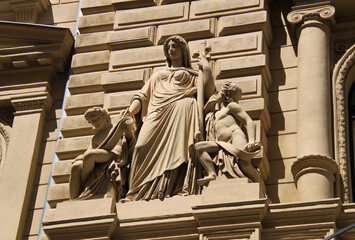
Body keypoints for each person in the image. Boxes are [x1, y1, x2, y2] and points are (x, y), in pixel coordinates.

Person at [123, 35, 215, 201]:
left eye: (175, 46)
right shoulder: (158, 75)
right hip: (157, 113)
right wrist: (130, 112)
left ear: (183, 50)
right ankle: (137, 193)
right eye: (168, 47)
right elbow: (142, 96)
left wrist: (206, 66)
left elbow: (208, 92)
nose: (171, 49)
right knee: (141, 146)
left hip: (183, 111)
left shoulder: (193, 74)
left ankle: (173, 187)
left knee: (180, 148)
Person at [194, 82, 262, 186]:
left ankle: (259, 186)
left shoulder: (232, 106)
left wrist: (252, 141)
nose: (218, 94)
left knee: (244, 164)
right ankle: (212, 174)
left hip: (235, 136)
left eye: (221, 92)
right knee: (200, 147)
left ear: (226, 95)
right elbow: (202, 112)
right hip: (221, 143)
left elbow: (248, 121)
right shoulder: (215, 113)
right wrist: (211, 102)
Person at [69, 107, 135, 200]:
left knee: (89, 156)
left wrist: (127, 126)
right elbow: (90, 150)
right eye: (92, 121)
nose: (94, 123)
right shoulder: (96, 138)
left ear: (105, 117)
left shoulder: (116, 128)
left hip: (115, 155)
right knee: (76, 166)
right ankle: (73, 199)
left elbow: (130, 138)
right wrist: (80, 158)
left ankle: (85, 185)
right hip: (100, 155)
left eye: (96, 119)